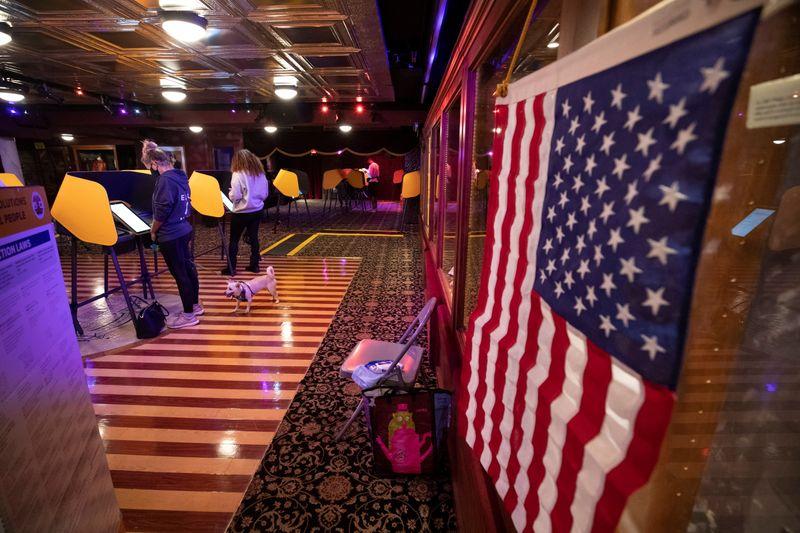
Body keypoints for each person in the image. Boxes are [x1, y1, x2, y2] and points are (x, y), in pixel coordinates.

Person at [142, 141, 202, 329]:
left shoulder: (165, 180)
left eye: (149, 166)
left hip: (171, 234)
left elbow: (162, 210)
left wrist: (153, 230)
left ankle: (188, 316)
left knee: (180, 274)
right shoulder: (180, 176)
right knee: (188, 269)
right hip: (184, 229)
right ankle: (194, 305)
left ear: (154, 163)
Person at [222, 149, 268, 275]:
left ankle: (231, 268)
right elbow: (265, 194)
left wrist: (231, 193)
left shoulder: (237, 173)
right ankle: (255, 265)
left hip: (241, 212)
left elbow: (235, 195)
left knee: (234, 240)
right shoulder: (260, 173)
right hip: (257, 210)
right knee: (254, 238)